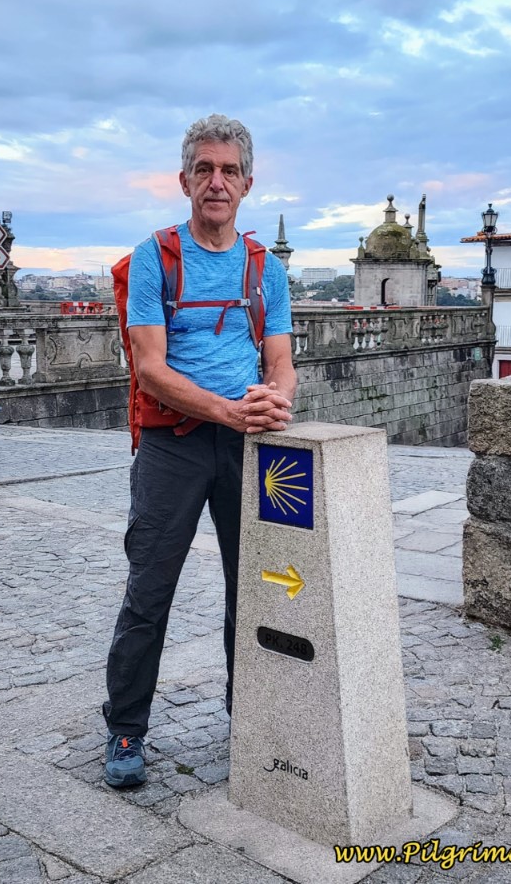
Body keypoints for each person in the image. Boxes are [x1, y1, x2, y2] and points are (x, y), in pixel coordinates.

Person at [102, 114, 296, 788]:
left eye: (228, 170)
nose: (216, 181)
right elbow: (149, 368)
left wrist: (276, 399)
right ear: (185, 179)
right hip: (172, 444)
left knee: (257, 591)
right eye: (204, 169)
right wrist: (229, 409)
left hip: (248, 446)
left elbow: (281, 359)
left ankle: (248, 715)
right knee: (148, 590)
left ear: (247, 182)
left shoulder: (263, 267)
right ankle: (125, 727)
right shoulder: (157, 255)